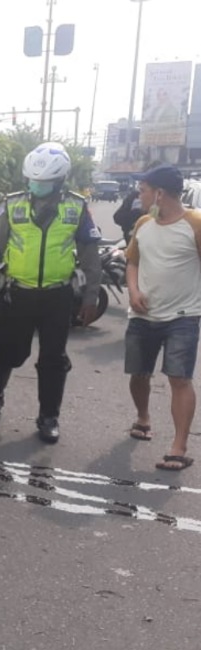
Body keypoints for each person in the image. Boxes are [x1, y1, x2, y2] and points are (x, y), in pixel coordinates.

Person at [0, 142, 103, 443]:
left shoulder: (76, 207)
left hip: (57, 297)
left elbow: (90, 257)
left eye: (43, 182)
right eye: (33, 180)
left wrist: (90, 297)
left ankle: (49, 417)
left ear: (59, 182)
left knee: (53, 359)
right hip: (16, 293)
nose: (36, 185)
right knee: (7, 351)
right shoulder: (13, 204)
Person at [123, 165, 201, 471]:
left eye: (142, 190)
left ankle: (178, 447)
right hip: (142, 315)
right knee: (138, 374)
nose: (137, 196)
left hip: (183, 316)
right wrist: (132, 291)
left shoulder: (194, 223)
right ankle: (143, 418)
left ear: (159, 193)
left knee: (179, 379)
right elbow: (132, 262)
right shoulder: (143, 223)